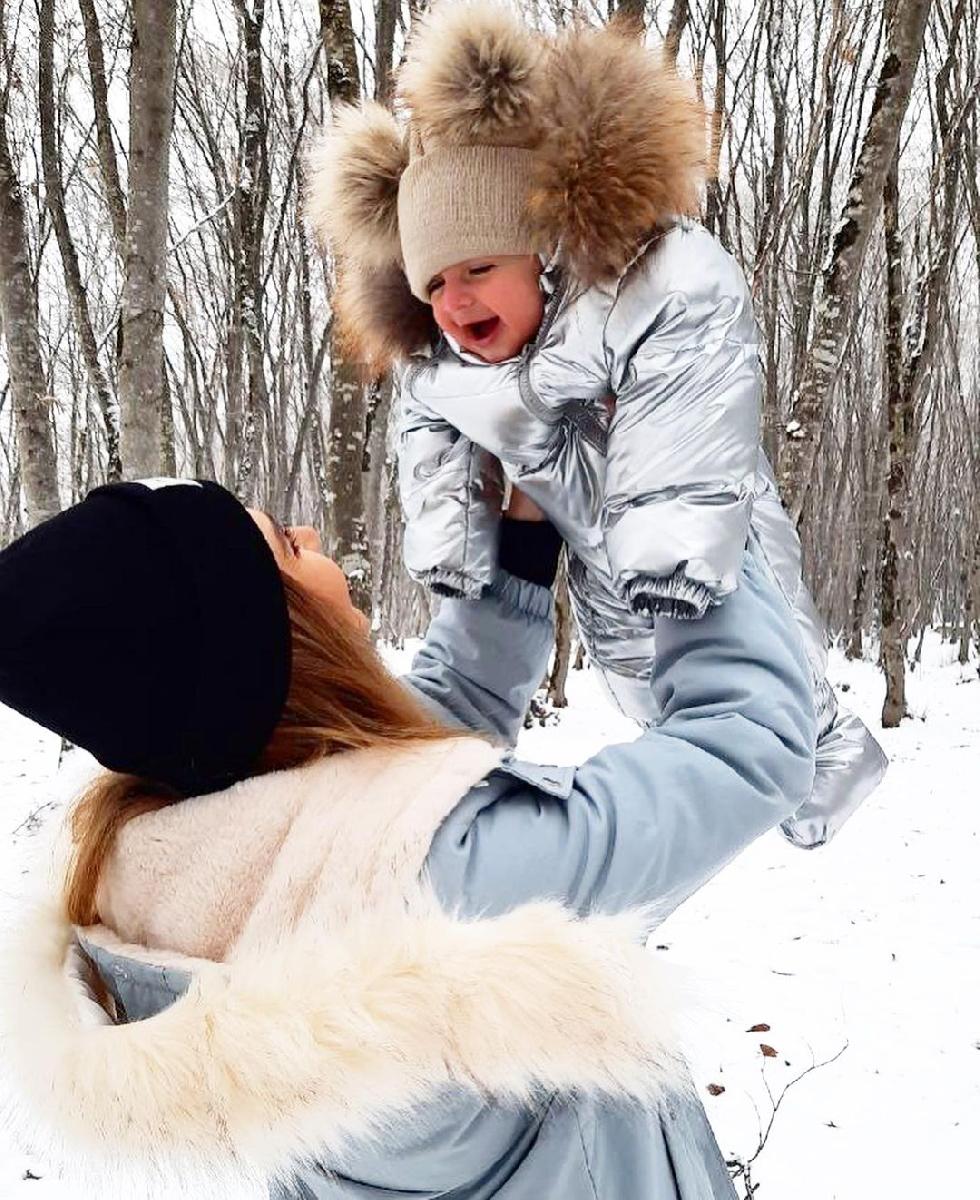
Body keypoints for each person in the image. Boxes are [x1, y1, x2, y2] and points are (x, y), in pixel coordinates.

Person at [0, 476, 815, 1198]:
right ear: (280, 640)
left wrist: (520, 548)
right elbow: (751, 741)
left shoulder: (179, 871)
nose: (310, 534)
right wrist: (688, 489)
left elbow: (421, 731)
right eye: (287, 546)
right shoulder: (459, 883)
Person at [308, 1, 886, 850]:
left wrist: (668, 538)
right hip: (606, 593)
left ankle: (821, 756)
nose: (455, 302)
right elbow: (428, 428)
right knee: (657, 698)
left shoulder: (634, 291)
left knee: (775, 691)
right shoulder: (444, 366)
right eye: (435, 286)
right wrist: (455, 549)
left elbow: (693, 337)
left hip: (698, 547)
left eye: (479, 269)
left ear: (541, 250)